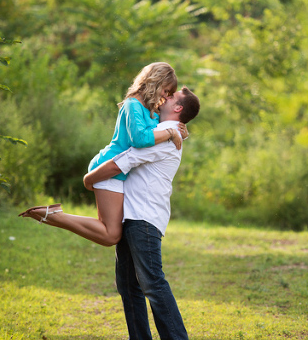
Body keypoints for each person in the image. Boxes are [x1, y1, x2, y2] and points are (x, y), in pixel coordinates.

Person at [83, 86, 200, 340]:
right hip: (131, 215)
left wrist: (89, 179)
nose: (163, 97)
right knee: (127, 283)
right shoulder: (162, 130)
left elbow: (125, 161)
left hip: (144, 218)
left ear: (178, 108)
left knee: (152, 282)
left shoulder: (166, 138)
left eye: (170, 97)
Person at [19, 62, 188, 246]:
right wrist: (171, 133)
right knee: (111, 235)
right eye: (166, 90)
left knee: (112, 232)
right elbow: (140, 139)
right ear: (156, 81)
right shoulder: (133, 105)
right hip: (110, 167)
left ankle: (53, 215)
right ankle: (55, 216)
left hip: (120, 171)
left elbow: (159, 130)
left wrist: (179, 131)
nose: (166, 96)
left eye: (170, 94)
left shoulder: (148, 110)